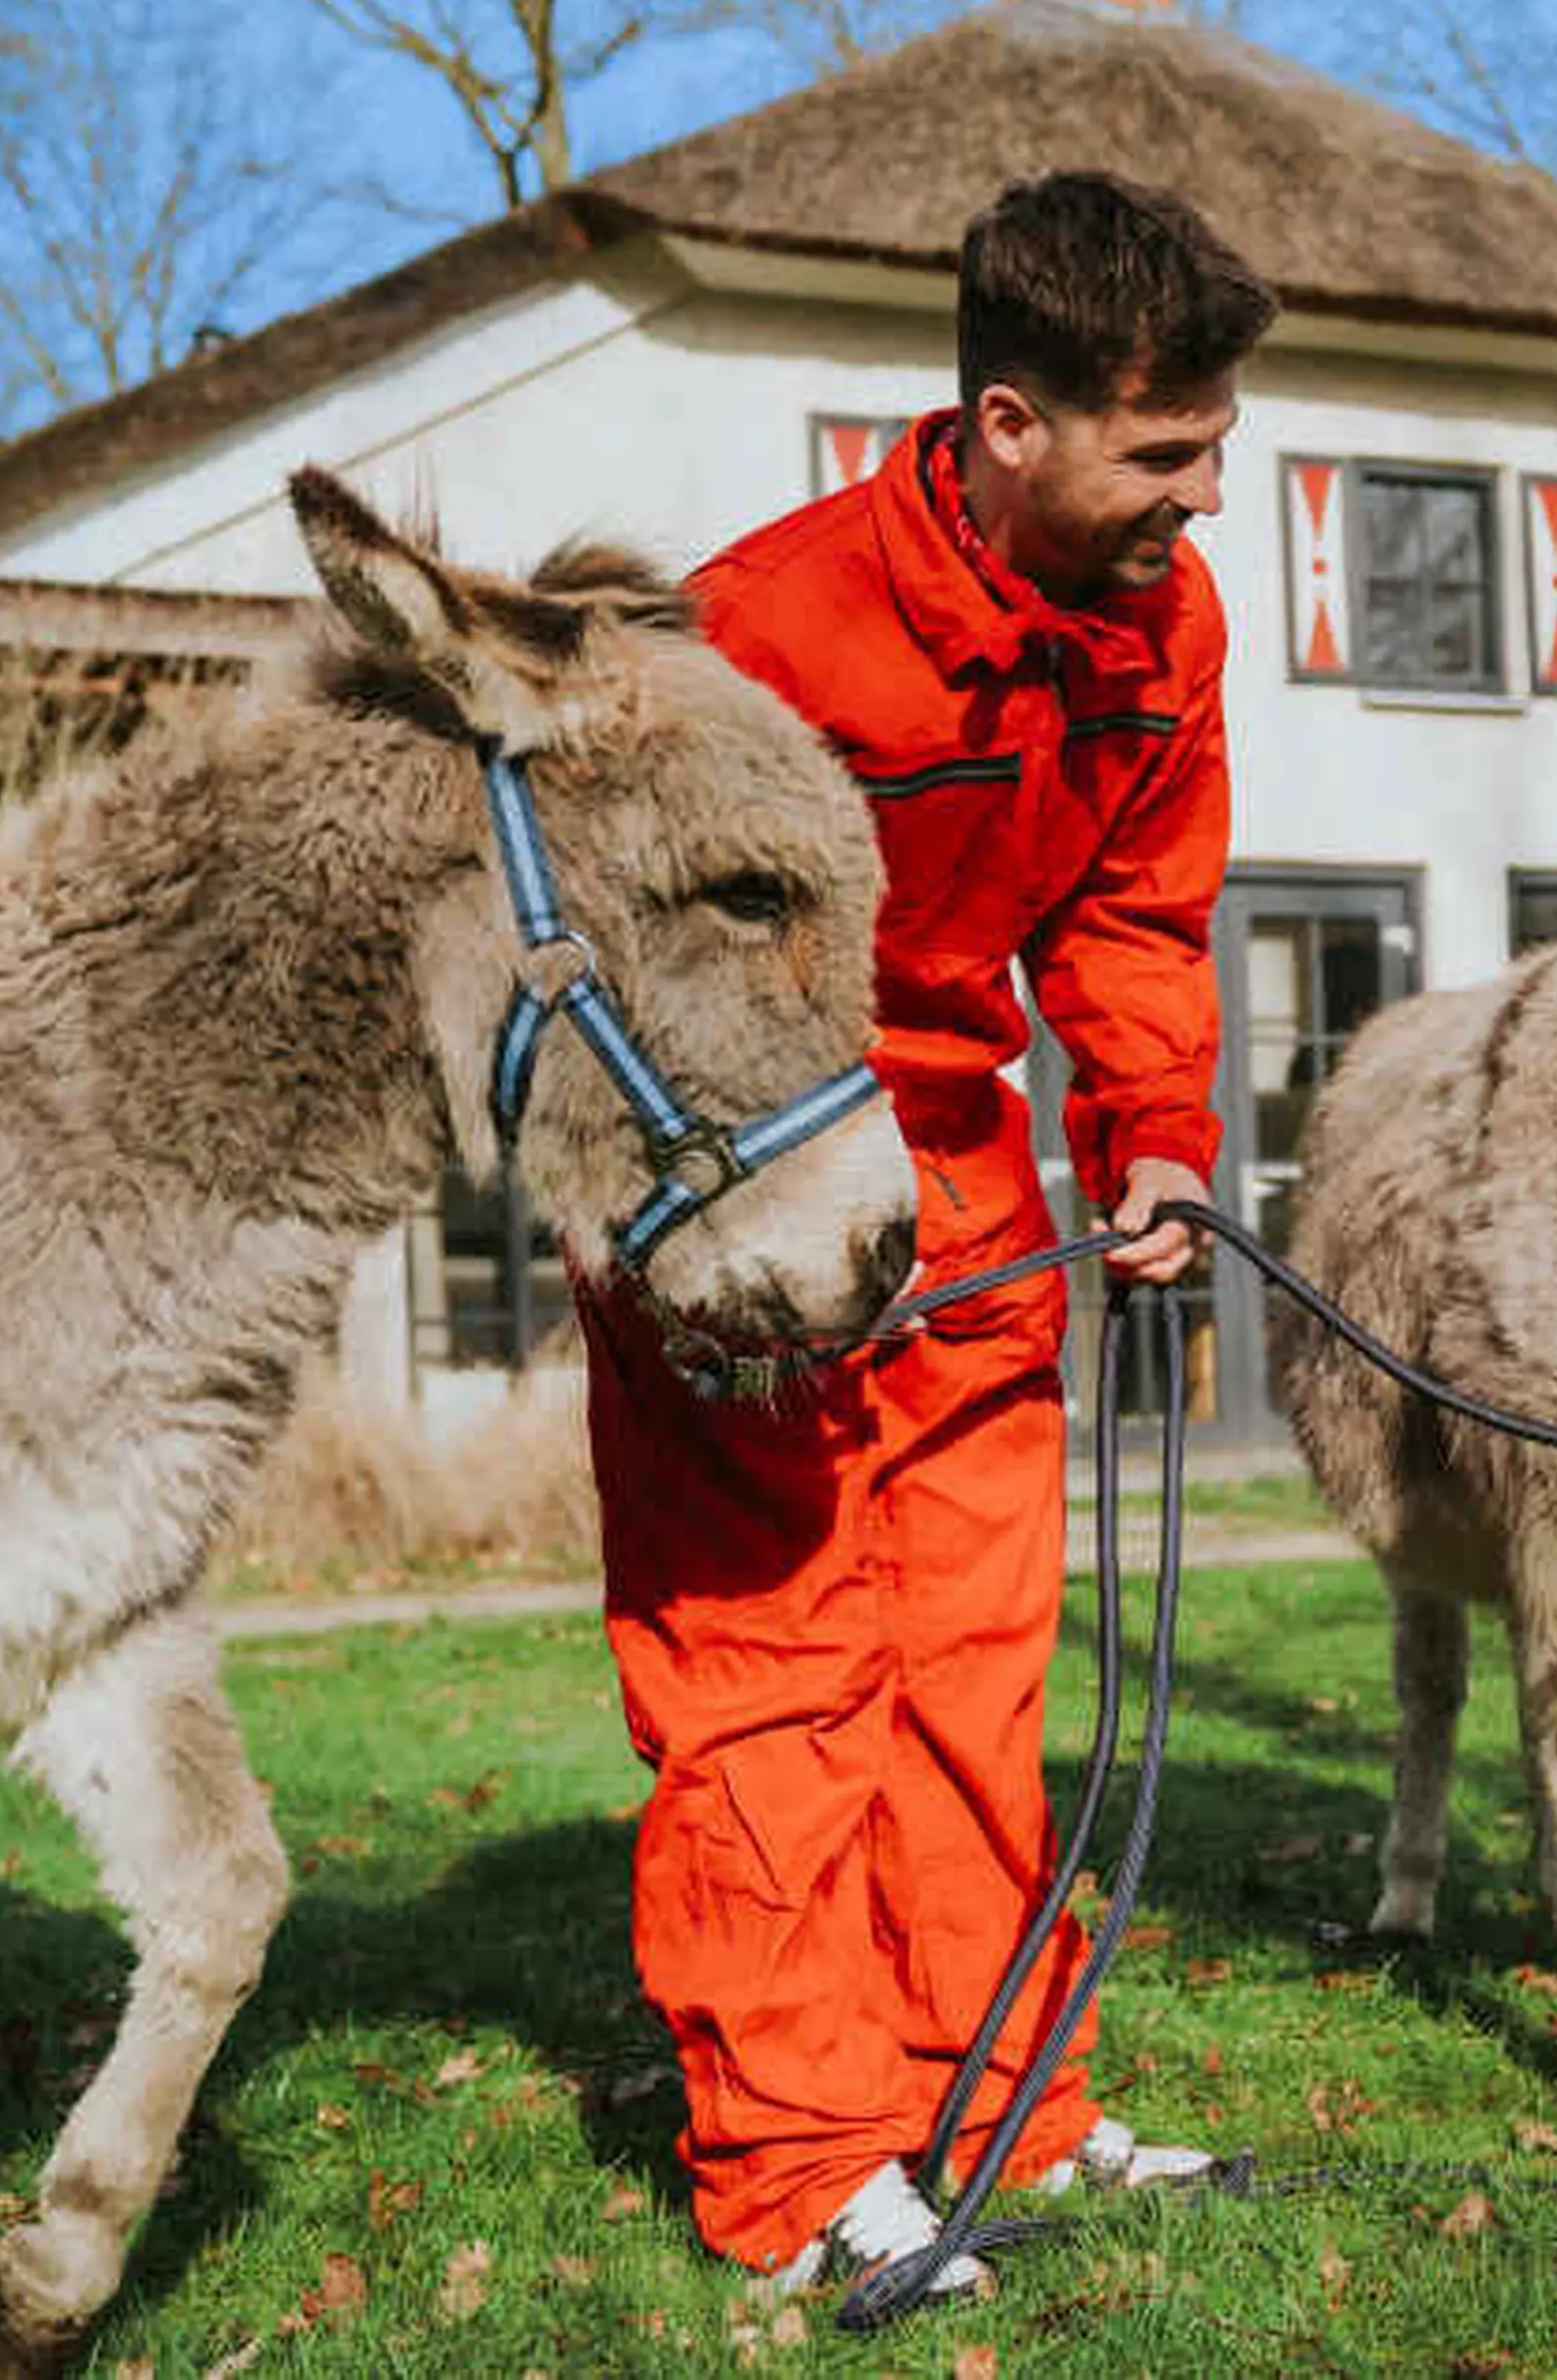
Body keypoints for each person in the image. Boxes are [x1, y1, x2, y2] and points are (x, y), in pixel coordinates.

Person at [576, 171, 1277, 2297]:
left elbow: (1137, 915)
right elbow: (603, 959)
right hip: (752, 1213)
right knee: (776, 1680)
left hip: (969, 1208)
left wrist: (1152, 1130)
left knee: (971, 1683)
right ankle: (799, 2169)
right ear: (1005, 423)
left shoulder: (1169, 626)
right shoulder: (754, 637)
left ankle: (993, 2106)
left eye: (1219, 448)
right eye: (1169, 452)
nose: (1209, 499)